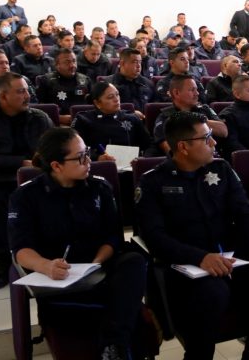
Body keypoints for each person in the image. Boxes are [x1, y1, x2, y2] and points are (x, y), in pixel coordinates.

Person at [135, 111, 249, 360]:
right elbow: (154, 237)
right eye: (206, 138)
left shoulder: (221, 169)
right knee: (213, 295)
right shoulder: (153, 182)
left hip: (231, 258)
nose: (214, 143)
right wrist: (200, 257)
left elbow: (246, 215)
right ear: (183, 147)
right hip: (186, 266)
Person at [8, 127, 146, 360]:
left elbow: (112, 237)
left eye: (87, 153)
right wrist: (46, 265)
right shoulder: (26, 196)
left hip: (100, 273)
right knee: (124, 310)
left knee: (134, 261)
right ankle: (116, 342)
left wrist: (97, 262)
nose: (88, 161)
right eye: (80, 157)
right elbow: (21, 249)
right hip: (60, 279)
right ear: (56, 166)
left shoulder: (100, 187)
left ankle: (113, 345)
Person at [0, 72, 54, 288]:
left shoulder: (39, 118)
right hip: (2, 183)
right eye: (21, 91)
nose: (27, 95)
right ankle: (3, 261)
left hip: (38, 180)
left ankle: (45, 255)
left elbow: (56, 146)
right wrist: (21, 163)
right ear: (3, 96)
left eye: (27, 90)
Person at [71, 82, 151, 161]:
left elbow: (149, 144)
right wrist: (97, 157)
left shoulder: (131, 118)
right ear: (97, 103)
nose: (116, 99)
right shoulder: (83, 119)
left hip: (131, 166)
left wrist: (143, 159)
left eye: (117, 94)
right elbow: (74, 148)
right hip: (99, 167)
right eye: (110, 97)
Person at [151, 74, 227, 155]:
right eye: (192, 90)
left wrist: (197, 120)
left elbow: (224, 131)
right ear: (176, 93)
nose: (197, 93)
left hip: (214, 158)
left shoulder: (204, 109)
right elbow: (170, 150)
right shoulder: (165, 117)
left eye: (197, 89)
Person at [35, 48, 92, 125]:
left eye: (74, 61)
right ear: (57, 65)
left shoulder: (85, 80)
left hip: (83, 122)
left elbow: (92, 106)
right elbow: (39, 108)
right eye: (67, 62)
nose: (72, 65)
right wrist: (58, 118)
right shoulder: (45, 81)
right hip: (55, 124)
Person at [103, 48, 155, 119]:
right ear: (122, 63)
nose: (138, 66)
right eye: (134, 62)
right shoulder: (108, 84)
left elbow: (154, 107)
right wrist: (130, 113)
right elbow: (104, 108)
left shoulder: (148, 84)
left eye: (140, 62)